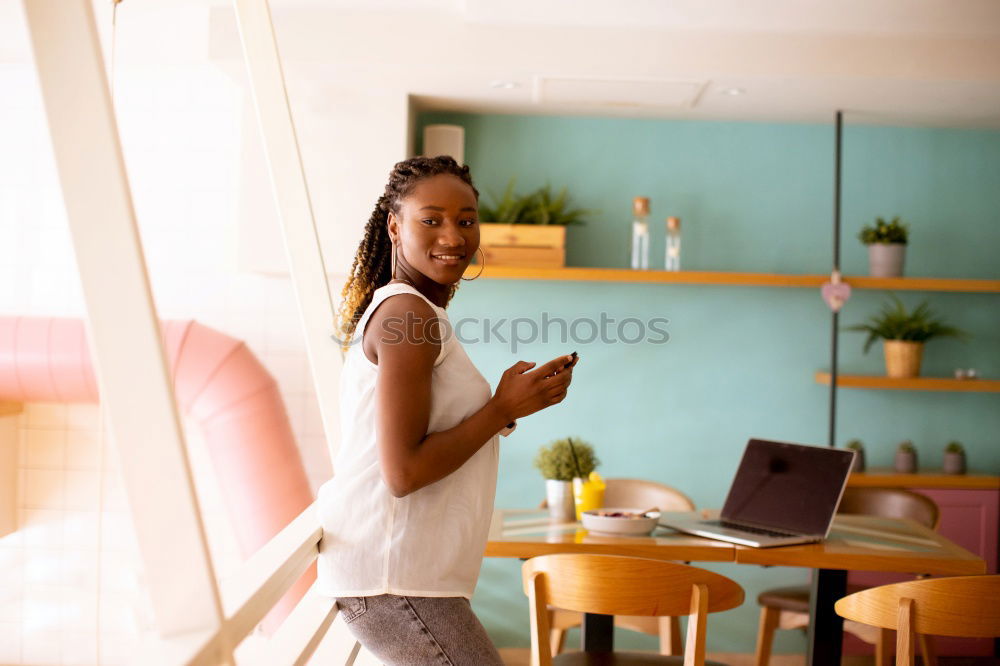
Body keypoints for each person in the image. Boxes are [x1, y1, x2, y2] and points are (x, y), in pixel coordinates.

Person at [316, 155, 578, 664]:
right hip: (394, 580)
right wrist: (501, 407)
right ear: (394, 226)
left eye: (466, 220)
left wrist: (509, 404)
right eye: (431, 220)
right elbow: (403, 471)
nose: (453, 236)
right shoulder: (408, 313)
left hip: (403, 577)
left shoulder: (415, 311)